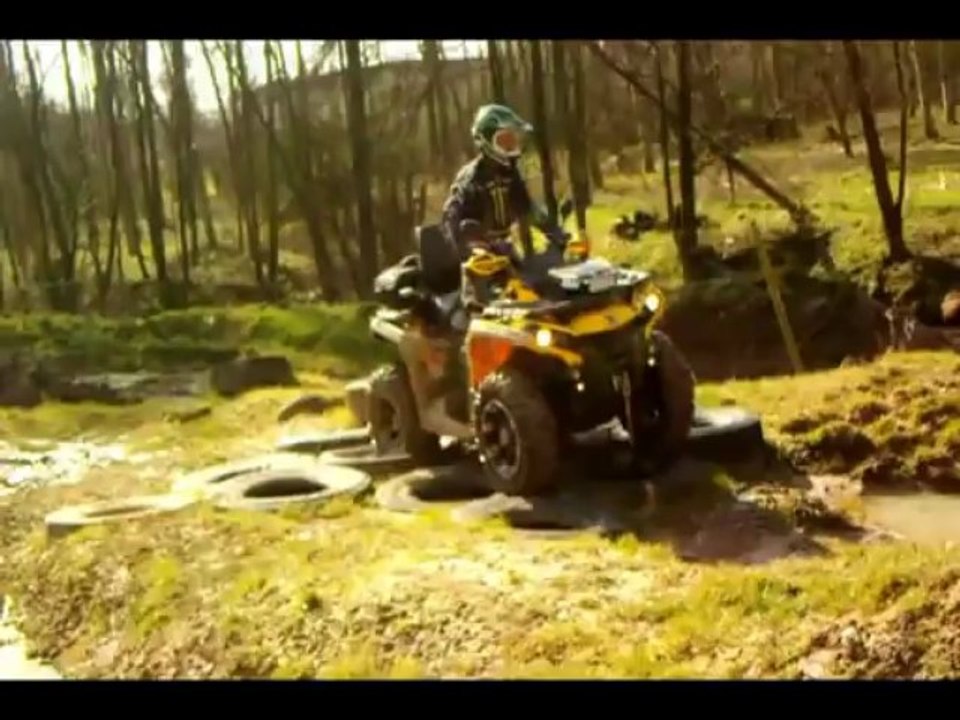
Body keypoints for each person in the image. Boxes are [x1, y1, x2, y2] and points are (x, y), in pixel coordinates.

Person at [440, 103, 567, 308]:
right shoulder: (470, 180)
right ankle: (466, 330)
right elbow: (451, 219)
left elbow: (528, 209)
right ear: (487, 141)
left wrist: (554, 231)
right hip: (477, 260)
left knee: (534, 293)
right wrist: (471, 247)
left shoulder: (510, 173)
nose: (511, 146)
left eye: (513, 140)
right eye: (505, 141)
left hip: (503, 249)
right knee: (480, 309)